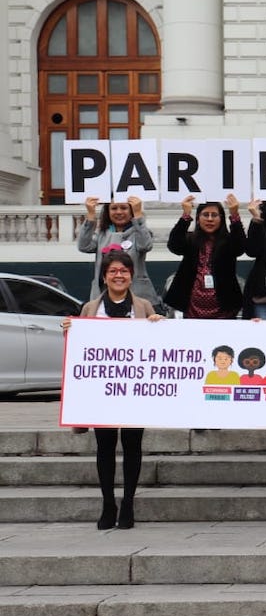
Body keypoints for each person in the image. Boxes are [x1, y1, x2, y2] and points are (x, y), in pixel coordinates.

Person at [63, 249, 164, 530]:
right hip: (102, 394)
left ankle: (128, 503)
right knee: (105, 448)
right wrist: (70, 331)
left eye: (124, 271)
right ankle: (108, 503)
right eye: (113, 272)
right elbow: (81, 352)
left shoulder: (144, 307)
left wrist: (159, 327)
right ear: (104, 277)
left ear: (131, 276)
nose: (119, 276)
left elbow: (160, 349)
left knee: (133, 447)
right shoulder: (90, 309)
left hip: (134, 393)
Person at [163, 194, 246, 319]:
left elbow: (240, 248)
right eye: (205, 215)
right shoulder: (190, 239)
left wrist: (234, 215)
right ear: (198, 219)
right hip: (192, 307)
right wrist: (185, 215)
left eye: (214, 215)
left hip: (223, 309)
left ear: (221, 219)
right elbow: (174, 246)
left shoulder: (228, 241)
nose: (210, 219)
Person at [77, 196, 160, 308]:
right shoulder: (102, 234)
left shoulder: (140, 232)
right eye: (114, 208)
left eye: (124, 208)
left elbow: (145, 246)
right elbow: (84, 246)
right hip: (103, 296)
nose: (119, 212)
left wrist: (138, 215)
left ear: (131, 211)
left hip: (137, 297)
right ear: (108, 212)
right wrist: (91, 216)